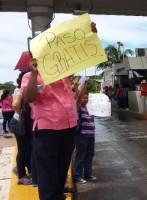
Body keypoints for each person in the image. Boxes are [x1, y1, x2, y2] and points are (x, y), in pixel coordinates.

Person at [21, 22, 98, 200]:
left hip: (69, 128)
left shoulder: (63, 72)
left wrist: (89, 34)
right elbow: (29, 97)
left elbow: (78, 53)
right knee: (48, 176)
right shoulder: (29, 76)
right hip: (47, 132)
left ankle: (58, 195)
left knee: (61, 171)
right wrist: (34, 74)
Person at [10, 71, 32, 185]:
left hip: (21, 122)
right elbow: (15, 105)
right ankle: (21, 175)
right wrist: (21, 115)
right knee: (23, 149)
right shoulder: (19, 90)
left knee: (27, 148)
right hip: (19, 122)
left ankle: (25, 170)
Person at [73, 77, 97, 184]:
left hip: (91, 135)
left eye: (87, 98)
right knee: (80, 156)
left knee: (89, 155)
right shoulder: (78, 107)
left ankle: (88, 174)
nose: (85, 100)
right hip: (82, 136)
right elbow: (78, 97)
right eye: (83, 98)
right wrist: (84, 84)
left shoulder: (90, 107)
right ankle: (77, 176)